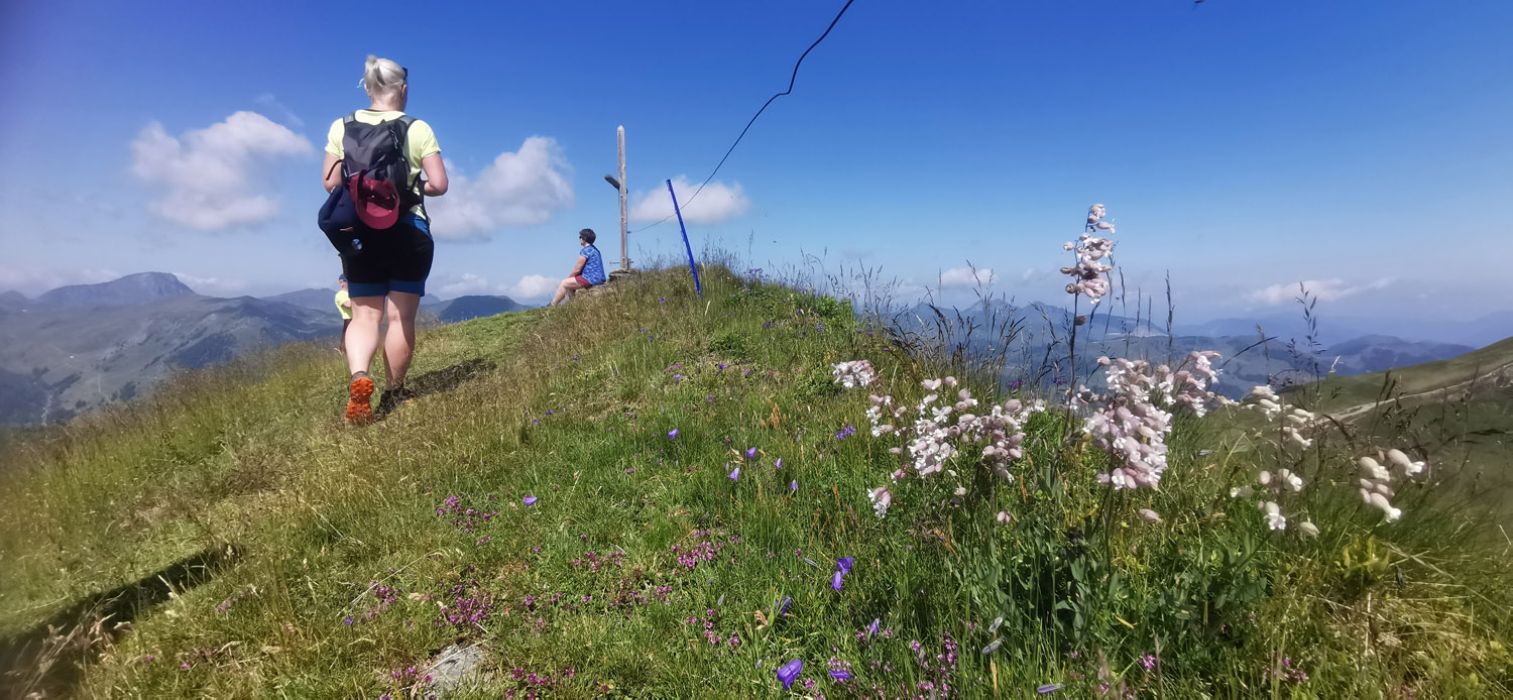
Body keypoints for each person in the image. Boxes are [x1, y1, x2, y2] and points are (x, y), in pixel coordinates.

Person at [322, 55, 449, 423]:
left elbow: (330, 182)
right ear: (403, 89)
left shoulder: (341, 126)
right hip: (408, 229)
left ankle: (360, 375)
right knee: (400, 316)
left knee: (364, 315)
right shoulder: (418, 128)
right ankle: (394, 392)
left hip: (361, 233)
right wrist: (409, 187)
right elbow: (439, 184)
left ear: (366, 88)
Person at [550, 228, 608, 306]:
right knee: (570, 285)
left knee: (564, 283)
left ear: (584, 238)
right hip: (598, 277)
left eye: (580, 237)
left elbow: (577, 269)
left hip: (591, 278)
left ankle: (553, 306)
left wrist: (568, 278)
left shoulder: (586, 251)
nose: (579, 239)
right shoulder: (595, 250)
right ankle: (574, 306)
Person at [334, 275, 353, 351]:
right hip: (349, 320)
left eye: (344, 281)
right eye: (340, 282)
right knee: (347, 345)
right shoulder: (340, 295)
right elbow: (348, 305)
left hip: (355, 320)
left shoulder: (350, 293)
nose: (342, 284)